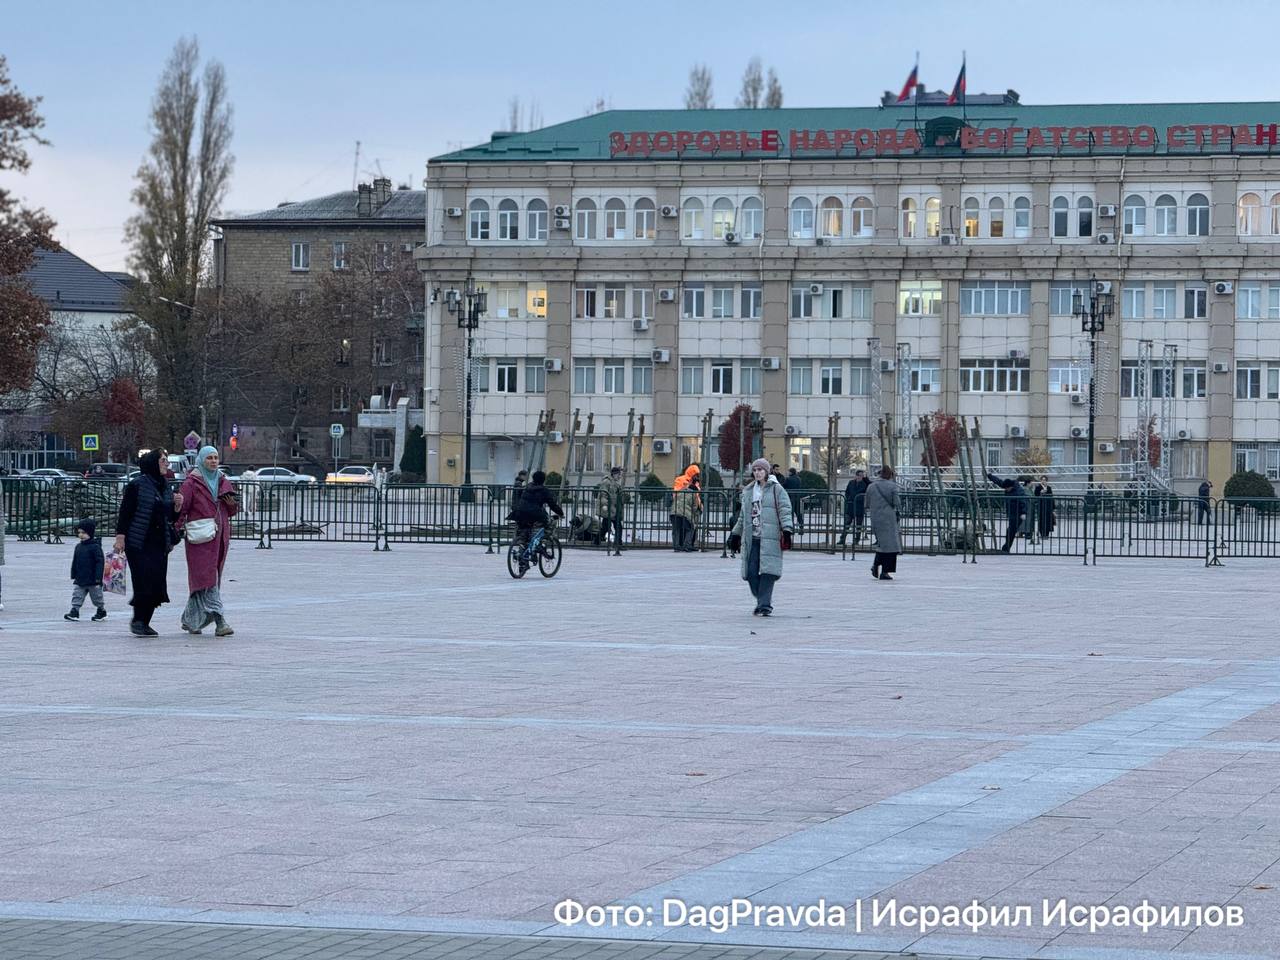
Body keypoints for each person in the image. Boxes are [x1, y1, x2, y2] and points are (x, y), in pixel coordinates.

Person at [114, 450, 182, 637]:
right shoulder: (136, 485)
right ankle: (138, 620)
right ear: (153, 462)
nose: (166, 463)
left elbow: (169, 516)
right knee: (144, 582)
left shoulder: (165, 486)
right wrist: (120, 536)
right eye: (163, 460)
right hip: (139, 543)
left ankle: (145, 621)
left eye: (167, 460)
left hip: (160, 544)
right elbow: (125, 512)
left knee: (157, 584)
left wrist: (177, 506)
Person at [178, 446, 240, 636]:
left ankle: (190, 620)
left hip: (220, 537)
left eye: (215, 457)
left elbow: (231, 511)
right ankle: (221, 622)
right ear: (201, 460)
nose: (213, 461)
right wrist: (175, 529)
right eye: (209, 458)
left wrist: (232, 505)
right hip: (200, 539)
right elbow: (182, 509)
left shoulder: (222, 481)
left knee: (206, 579)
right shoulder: (191, 483)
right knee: (207, 578)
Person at [728, 458, 793, 616]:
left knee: (768, 572)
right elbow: (743, 517)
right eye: (755, 470)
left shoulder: (776, 489)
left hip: (770, 537)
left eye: (761, 470)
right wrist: (735, 534)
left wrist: (787, 530)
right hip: (753, 538)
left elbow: (785, 510)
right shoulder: (749, 491)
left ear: (767, 471)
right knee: (750, 573)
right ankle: (762, 599)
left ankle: (764, 605)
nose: (757, 473)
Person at [511, 470, 564, 563]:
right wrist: (561, 513)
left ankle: (522, 553)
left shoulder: (527, 487)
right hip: (535, 514)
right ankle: (542, 544)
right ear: (543, 480)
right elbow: (552, 505)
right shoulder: (544, 490)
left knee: (524, 533)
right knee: (549, 524)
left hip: (519, 513)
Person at [64, 519, 107, 622]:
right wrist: (74, 573)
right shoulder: (78, 547)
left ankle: (101, 610)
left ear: (90, 533)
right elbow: (75, 561)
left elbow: (100, 563)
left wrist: (98, 578)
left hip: (93, 579)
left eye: (83, 533)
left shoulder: (95, 547)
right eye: (79, 532)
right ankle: (75, 610)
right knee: (77, 595)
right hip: (80, 577)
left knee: (97, 597)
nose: (81, 535)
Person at [866, 466, 902, 580]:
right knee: (891, 546)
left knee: (882, 544)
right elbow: (897, 502)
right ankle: (885, 571)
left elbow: (866, 503)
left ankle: (876, 565)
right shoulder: (892, 486)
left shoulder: (871, 486)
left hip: (875, 518)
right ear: (890, 475)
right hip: (888, 518)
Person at [987, 471, 1028, 553]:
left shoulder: (1019, 491)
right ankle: (1006, 547)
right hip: (1011, 512)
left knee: (1011, 530)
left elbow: (1023, 502)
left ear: (1011, 487)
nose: (1005, 490)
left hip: (1018, 513)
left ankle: (1006, 548)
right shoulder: (1007, 485)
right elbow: (998, 481)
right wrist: (989, 476)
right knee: (1010, 530)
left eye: (1006, 489)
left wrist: (1023, 513)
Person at [670, 464, 701, 552]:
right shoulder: (681, 480)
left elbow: (697, 494)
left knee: (678, 529)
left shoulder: (695, 483)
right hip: (687, 509)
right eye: (695, 474)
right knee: (689, 528)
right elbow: (676, 492)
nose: (696, 476)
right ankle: (687, 545)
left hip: (676, 509)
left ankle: (678, 546)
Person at [593, 466, 623, 546]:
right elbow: (603, 494)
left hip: (613, 508)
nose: (620, 476)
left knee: (606, 527)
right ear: (614, 474)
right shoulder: (607, 482)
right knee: (618, 526)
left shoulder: (614, 483)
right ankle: (618, 543)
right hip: (610, 508)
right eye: (619, 474)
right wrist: (605, 505)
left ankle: (597, 541)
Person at [841, 469, 869, 546]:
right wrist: (849, 498)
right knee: (847, 523)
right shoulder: (851, 483)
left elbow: (870, 485)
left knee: (858, 525)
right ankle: (842, 539)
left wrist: (866, 479)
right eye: (860, 475)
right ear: (856, 476)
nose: (861, 477)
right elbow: (847, 492)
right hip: (851, 505)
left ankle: (857, 540)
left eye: (862, 476)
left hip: (859, 505)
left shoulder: (865, 483)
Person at [1032, 476, 1056, 541]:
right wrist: (1040, 492)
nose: (1043, 481)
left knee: (1048, 520)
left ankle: (1047, 534)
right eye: (1042, 480)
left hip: (1048, 507)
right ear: (1041, 481)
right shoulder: (1038, 488)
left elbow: (1052, 498)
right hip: (1041, 506)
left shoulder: (1049, 488)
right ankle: (1042, 534)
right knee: (1041, 520)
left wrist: (1053, 509)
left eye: (1045, 480)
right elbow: (1035, 496)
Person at [782, 467, 805, 534]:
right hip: (797, 497)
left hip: (790, 498)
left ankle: (792, 529)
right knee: (798, 513)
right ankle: (801, 527)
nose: (788, 473)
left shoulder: (788, 479)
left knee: (790, 514)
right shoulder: (798, 479)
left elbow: (784, 486)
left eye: (789, 471)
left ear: (791, 472)